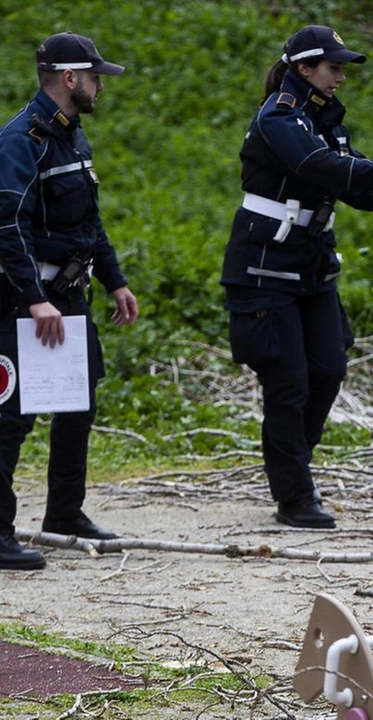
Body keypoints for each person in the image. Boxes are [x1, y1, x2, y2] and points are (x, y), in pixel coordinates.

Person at [221, 25, 373, 529]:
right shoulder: (280, 117)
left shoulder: (324, 121)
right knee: (288, 385)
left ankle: (293, 468)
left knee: (328, 370)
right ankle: (294, 495)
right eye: (334, 67)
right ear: (304, 68)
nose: (342, 77)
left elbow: (358, 190)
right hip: (264, 267)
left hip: (312, 266)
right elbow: (327, 169)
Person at [0, 33, 140, 571]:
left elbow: (88, 223)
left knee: (78, 402)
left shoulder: (72, 137)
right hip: (22, 301)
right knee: (11, 417)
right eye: (95, 75)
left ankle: (64, 513)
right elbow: (7, 226)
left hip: (70, 295)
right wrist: (33, 300)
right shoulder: (22, 140)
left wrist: (115, 281)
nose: (100, 84)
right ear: (68, 78)